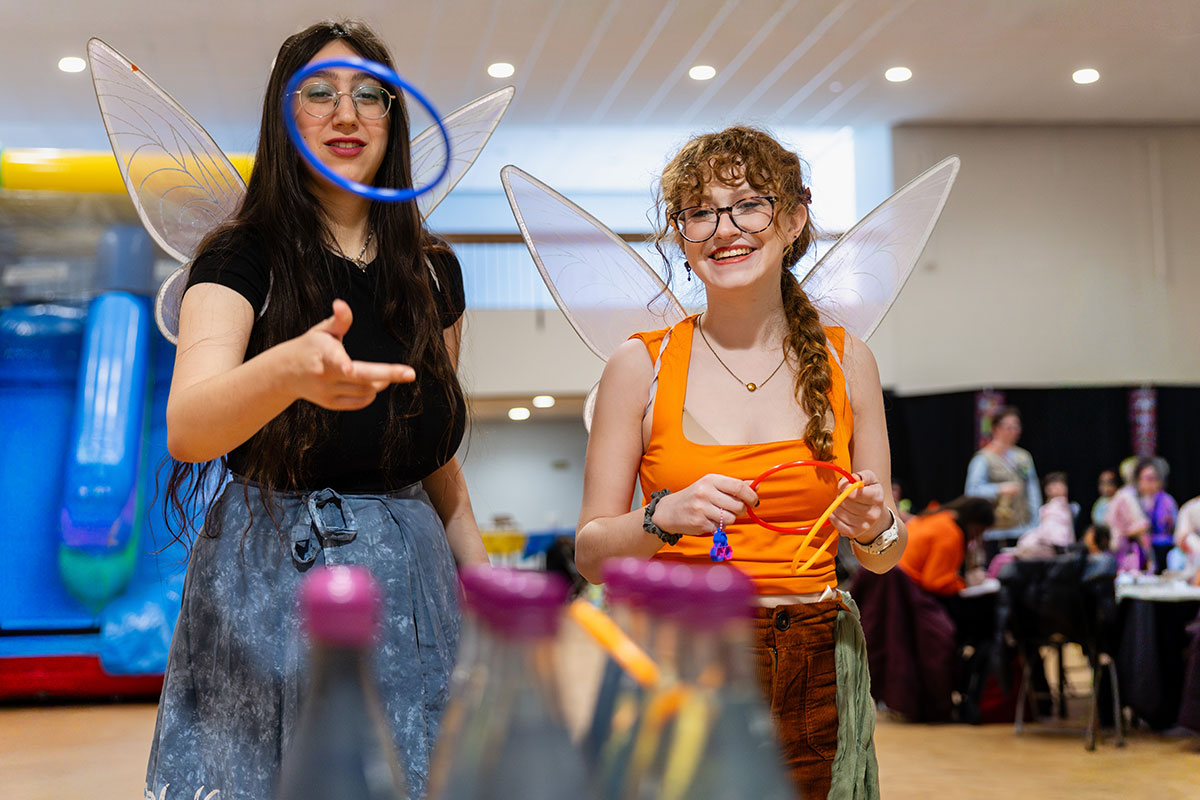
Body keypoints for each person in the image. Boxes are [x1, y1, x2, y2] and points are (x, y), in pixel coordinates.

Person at [148, 20, 488, 800]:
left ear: (395, 121)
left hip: (416, 586)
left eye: (370, 96)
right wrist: (287, 370)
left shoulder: (432, 271)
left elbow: (433, 453)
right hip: (273, 579)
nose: (347, 114)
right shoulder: (239, 256)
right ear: (283, 117)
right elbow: (189, 426)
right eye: (320, 94)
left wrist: (489, 591)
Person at [575, 126, 906, 799]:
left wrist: (873, 526)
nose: (724, 228)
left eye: (748, 204)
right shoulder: (641, 363)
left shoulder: (850, 361)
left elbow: (883, 556)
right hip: (679, 656)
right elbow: (589, 553)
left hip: (817, 655)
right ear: (682, 236)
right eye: (700, 212)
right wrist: (664, 515)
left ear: (792, 220)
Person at [965, 406, 1042, 555]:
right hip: (995, 532)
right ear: (996, 428)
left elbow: (1033, 491)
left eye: (1016, 426)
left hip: (1023, 528)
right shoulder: (983, 458)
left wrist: (1036, 525)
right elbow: (971, 491)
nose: (1014, 431)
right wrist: (998, 489)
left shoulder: (1023, 457)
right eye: (1009, 427)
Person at [898, 497, 995, 595]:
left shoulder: (937, 516)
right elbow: (935, 582)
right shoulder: (949, 532)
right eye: (978, 532)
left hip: (898, 582)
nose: (975, 538)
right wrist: (966, 583)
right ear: (973, 525)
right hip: (906, 589)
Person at [1015, 472, 1076, 559]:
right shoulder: (1045, 508)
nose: (1054, 488)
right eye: (1051, 485)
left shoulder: (1065, 506)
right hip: (1046, 541)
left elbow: (1058, 532)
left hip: (1059, 544)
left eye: (1059, 485)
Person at [1132, 457, 1178, 573]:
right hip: (1139, 549)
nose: (1151, 483)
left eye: (1154, 479)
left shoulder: (1167, 500)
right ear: (1138, 480)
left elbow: (1175, 528)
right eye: (1147, 479)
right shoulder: (1132, 500)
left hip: (1164, 547)